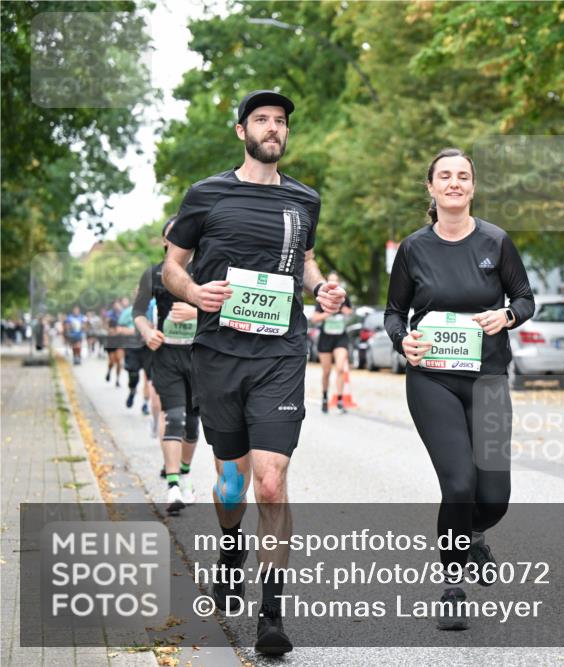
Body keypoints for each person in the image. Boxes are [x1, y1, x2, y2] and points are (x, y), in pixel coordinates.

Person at [163, 89, 344, 656]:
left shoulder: (304, 200)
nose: (272, 128)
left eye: (280, 121)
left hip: (281, 353)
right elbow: (172, 265)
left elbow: (306, 261)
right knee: (233, 484)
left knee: (270, 478)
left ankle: (272, 613)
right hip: (218, 354)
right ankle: (230, 543)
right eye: (261, 120)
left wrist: (323, 289)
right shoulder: (206, 194)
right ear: (242, 131)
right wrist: (194, 291)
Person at [385, 148, 535, 630]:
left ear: (473, 186)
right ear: (431, 188)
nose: (454, 183)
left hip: (488, 378)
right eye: (445, 176)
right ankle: (452, 585)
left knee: (494, 498)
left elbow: (526, 299)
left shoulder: (496, 241)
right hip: (432, 379)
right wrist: (399, 339)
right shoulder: (413, 249)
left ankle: (473, 534)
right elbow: (394, 312)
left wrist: (507, 316)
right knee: (458, 484)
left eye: (463, 176)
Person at [134, 218, 201, 516]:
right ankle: (172, 485)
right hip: (167, 356)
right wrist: (148, 332)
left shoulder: (203, 272)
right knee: (173, 416)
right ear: (164, 241)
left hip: (199, 356)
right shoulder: (155, 274)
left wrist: (195, 312)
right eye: (172, 236)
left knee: (192, 423)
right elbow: (138, 312)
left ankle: (184, 474)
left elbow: (223, 311)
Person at [310, 270, 353, 414]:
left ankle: (340, 400)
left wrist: (344, 309)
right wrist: (327, 313)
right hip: (326, 337)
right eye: (330, 281)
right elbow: (314, 318)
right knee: (326, 371)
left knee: (340, 368)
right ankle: (324, 398)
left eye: (336, 281)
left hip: (340, 337)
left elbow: (350, 312)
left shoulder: (343, 297)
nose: (334, 285)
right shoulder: (322, 298)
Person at [104, 300, 124, 385]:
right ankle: (109, 370)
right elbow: (105, 326)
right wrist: (110, 330)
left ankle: (117, 379)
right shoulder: (109, 314)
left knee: (119, 360)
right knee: (112, 361)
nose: (117, 306)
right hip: (111, 340)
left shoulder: (124, 314)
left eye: (118, 304)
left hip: (120, 340)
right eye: (115, 305)